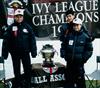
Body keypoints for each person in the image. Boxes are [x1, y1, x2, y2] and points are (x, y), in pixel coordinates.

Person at [2, 9, 37, 88]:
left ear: (23, 17)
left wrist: (33, 52)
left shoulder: (27, 27)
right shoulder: (11, 28)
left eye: (20, 16)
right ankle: (18, 84)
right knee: (16, 70)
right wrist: (5, 54)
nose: (19, 18)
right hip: (15, 53)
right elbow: (6, 41)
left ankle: (28, 84)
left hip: (25, 52)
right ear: (14, 17)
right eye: (17, 16)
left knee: (27, 69)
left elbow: (32, 40)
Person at [61, 18, 93, 88]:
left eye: (77, 25)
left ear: (81, 25)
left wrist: (83, 59)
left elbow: (89, 50)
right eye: (74, 25)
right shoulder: (69, 36)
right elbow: (63, 45)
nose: (75, 27)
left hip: (79, 65)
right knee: (69, 83)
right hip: (69, 64)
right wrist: (64, 54)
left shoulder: (85, 37)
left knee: (80, 84)